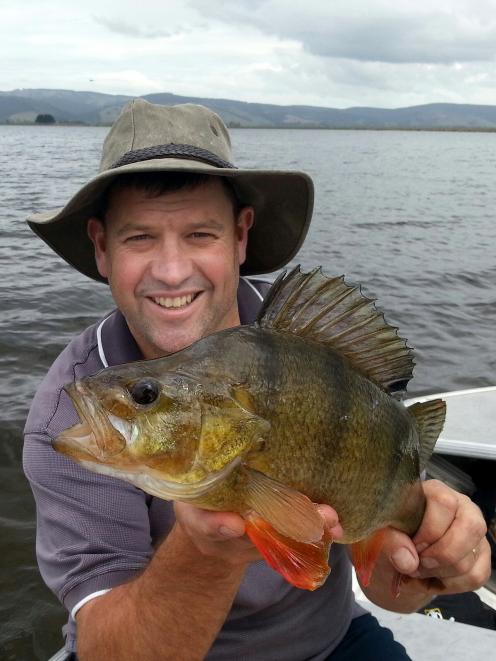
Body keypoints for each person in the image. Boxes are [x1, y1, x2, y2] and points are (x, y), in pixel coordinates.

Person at [23, 99, 491, 661]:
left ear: (240, 236)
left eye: (200, 234)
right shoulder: (70, 412)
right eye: (139, 238)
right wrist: (207, 552)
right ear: (101, 247)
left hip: (328, 643)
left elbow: (381, 584)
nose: (172, 271)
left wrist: (419, 566)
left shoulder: (316, 347)